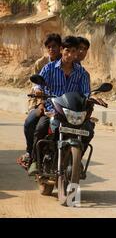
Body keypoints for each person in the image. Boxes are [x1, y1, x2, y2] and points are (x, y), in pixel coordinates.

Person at [27, 36, 91, 176]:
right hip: (52, 110)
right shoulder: (49, 68)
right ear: (62, 50)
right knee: (41, 128)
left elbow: (86, 92)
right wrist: (38, 90)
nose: (70, 55)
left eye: (74, 51)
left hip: (73, 114)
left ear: (76, 53)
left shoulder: (82, 73)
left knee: (89, 130)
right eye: (67, 51)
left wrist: (92, 98)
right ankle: (35, 161)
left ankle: (77, 159)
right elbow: (39, 83)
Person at [17, 33, 62, 169]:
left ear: (60, 47)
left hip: (62, 104)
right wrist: (41, 102)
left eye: (54, 46)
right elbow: (37, 85)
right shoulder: (42, 64)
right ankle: (30, 153)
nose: (51, 49)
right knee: (30, 122)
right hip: (42, 101)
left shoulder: (69, 62)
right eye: (48, 47)